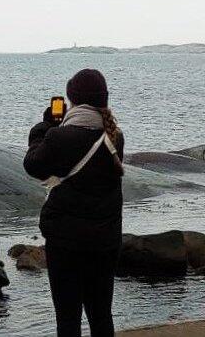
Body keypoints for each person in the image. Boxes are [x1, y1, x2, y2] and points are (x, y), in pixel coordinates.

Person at [23, 69, 125, 337]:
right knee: (101, 314)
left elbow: (33, 165)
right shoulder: (115, 137)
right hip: (105, 242)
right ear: (103, 98)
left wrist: (44, 127)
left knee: (68, 318)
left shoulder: (59, 137)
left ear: (72, 99)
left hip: (65, 243)